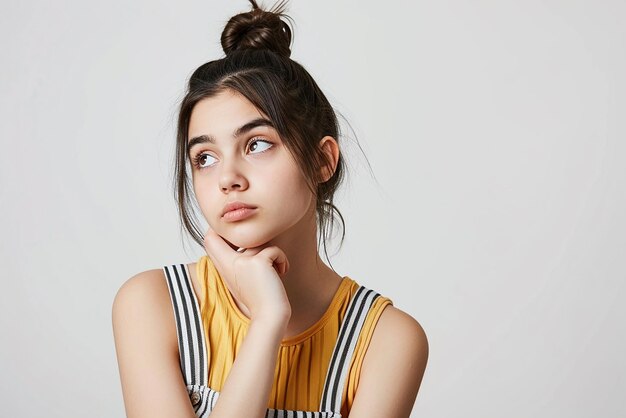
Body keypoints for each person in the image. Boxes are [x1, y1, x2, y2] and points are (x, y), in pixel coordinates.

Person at [112, 1, 428, 417]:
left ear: (322, 161)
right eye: (204, 157)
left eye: (257, 144)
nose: (227, 178)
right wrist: (267, 322)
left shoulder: (385, 341)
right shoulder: (152, 304)